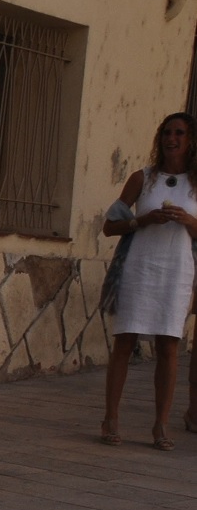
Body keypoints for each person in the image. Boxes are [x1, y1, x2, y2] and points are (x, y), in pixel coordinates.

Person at [100, 112, 197, 450]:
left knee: (169, 345)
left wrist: (188, 220)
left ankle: (161, 425)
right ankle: (111, 418)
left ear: (191, 140)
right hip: (139, 266)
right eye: (167, 132)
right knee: (125, 340)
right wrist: (143, 220)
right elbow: (110, 226)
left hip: (177, 270)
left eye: (180, 133)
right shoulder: (143, 179)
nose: (172, 138)